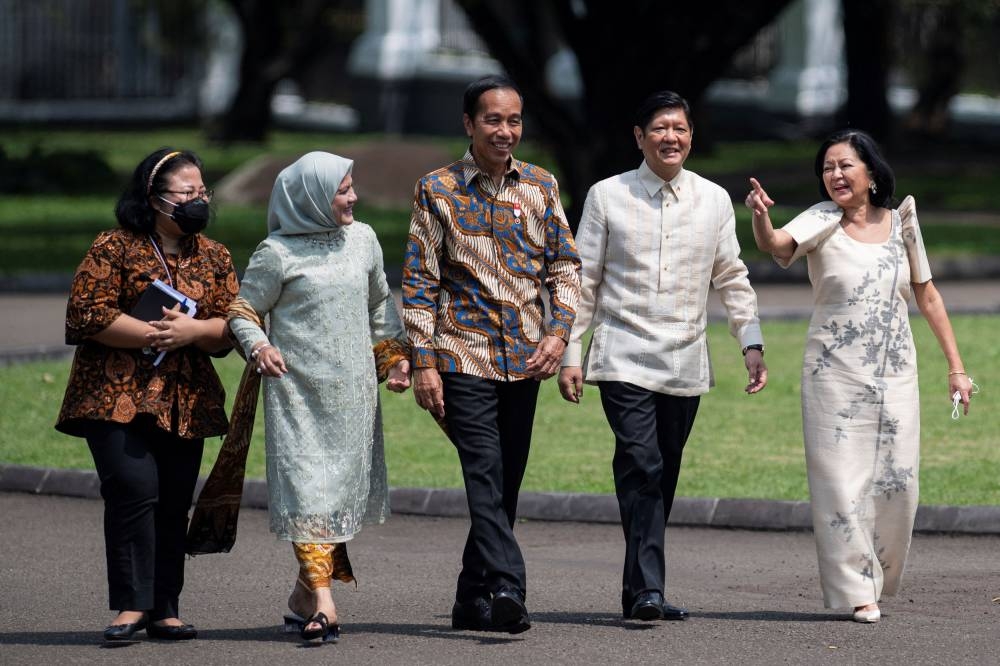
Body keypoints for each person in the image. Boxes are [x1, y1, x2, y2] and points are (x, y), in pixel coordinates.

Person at [745, 129, 974, 623]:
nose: (835, 175)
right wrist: (761, 217)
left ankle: (878, 574)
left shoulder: (902, 222)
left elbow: (927, 294)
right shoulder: (821, 219)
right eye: (828, 167)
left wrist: (956, 368)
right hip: (832, 376)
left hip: (895, 375)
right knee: (839, 485)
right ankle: (857, 591)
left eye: (845, 165)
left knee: (899, 484)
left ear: (871, 172)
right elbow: (776, 244)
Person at [558, 90, 768, 622]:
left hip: (684, 360)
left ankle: (639, 590)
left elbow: (732, 277)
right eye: (659, 129)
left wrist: (751, 341)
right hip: (622, 353)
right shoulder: (608, 196)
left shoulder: (714, 200)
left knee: (661, 473)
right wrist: (570, 352)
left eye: (680, 129)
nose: (670, 138)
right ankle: (648, 587)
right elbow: (582, 281)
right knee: (642, 462)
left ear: (691, 136)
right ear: (639, 136)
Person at [402, 74, 581, 633]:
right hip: (463, 355)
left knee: (505, 481)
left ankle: (467, 599)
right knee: (483, 470)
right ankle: (508, 585)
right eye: (493, 120)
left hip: (526, 356)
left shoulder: (541, 185)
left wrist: (558, 333)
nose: (505, 131)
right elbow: (419, 280)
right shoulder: (437, 188)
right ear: (468, 124)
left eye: (514, 121)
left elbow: (565, 265)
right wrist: (426, 362)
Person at [56, 148, 238, 642]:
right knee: (133, 491)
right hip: (115, 395)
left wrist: (194, 331)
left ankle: (165, 608)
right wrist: (159, 335)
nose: (197, 201)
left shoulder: (215, 255)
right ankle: (131, 606)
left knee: (174, 501)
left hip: (185, 401)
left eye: (202, 193)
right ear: (153, 198)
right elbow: (87, 314)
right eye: (186, 193)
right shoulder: (113, 246)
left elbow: (231, 327)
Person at [228, 151, 410, 644]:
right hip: (297, 397)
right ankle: (326, 605)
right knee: (309, 493)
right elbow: (243, 311)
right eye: (343, 190)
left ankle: (303, 594)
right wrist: (260, 345)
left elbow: (378, 305)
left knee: (337, 497)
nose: (354, 197)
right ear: (310, 198)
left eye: (352, 187)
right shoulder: (276, 253)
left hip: (353, 396)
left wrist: (395, 359)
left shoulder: (364, 240)